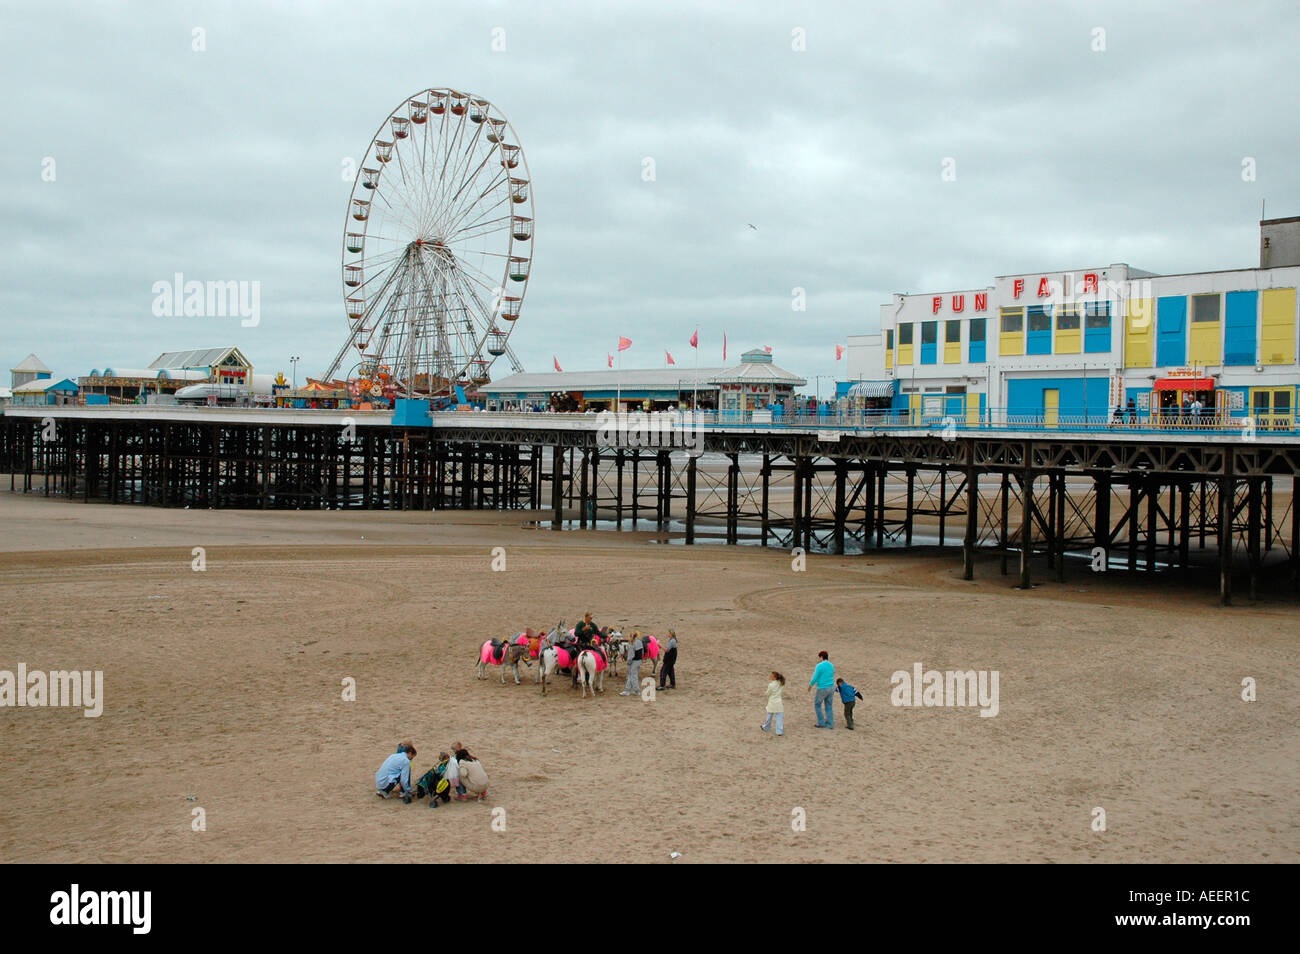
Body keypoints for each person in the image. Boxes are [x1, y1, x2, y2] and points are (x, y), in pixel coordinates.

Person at [808, 650, 835, 729]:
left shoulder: (819, 666)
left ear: (821, 657)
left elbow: (815, 677)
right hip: (831, 686)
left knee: (817, 704)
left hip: (823, 687)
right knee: (829, 705)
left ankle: (821, 722)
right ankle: (830, 724)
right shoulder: (831, 665)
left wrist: (810, 685)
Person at [620, 631, 644, 696]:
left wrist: (628, 662)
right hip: (639, 661)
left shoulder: (632, 644)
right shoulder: (640, 642)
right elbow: (642, 652)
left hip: (633, 662)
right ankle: (627, 690)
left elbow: (631, 656)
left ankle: (637, 691)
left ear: (631, 637)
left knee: (632, 676)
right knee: (632, 676)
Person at [761, 671, 785, 736]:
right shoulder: (781, 683)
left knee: (769, 715)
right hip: (779, 702)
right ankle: (779, 731)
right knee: (779, 716)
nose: (770, 677)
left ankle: (766, 727)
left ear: (774, 678)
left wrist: (765, 694)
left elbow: (768, 693)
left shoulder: (771, 685)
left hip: (772, 702)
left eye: (771, 676)